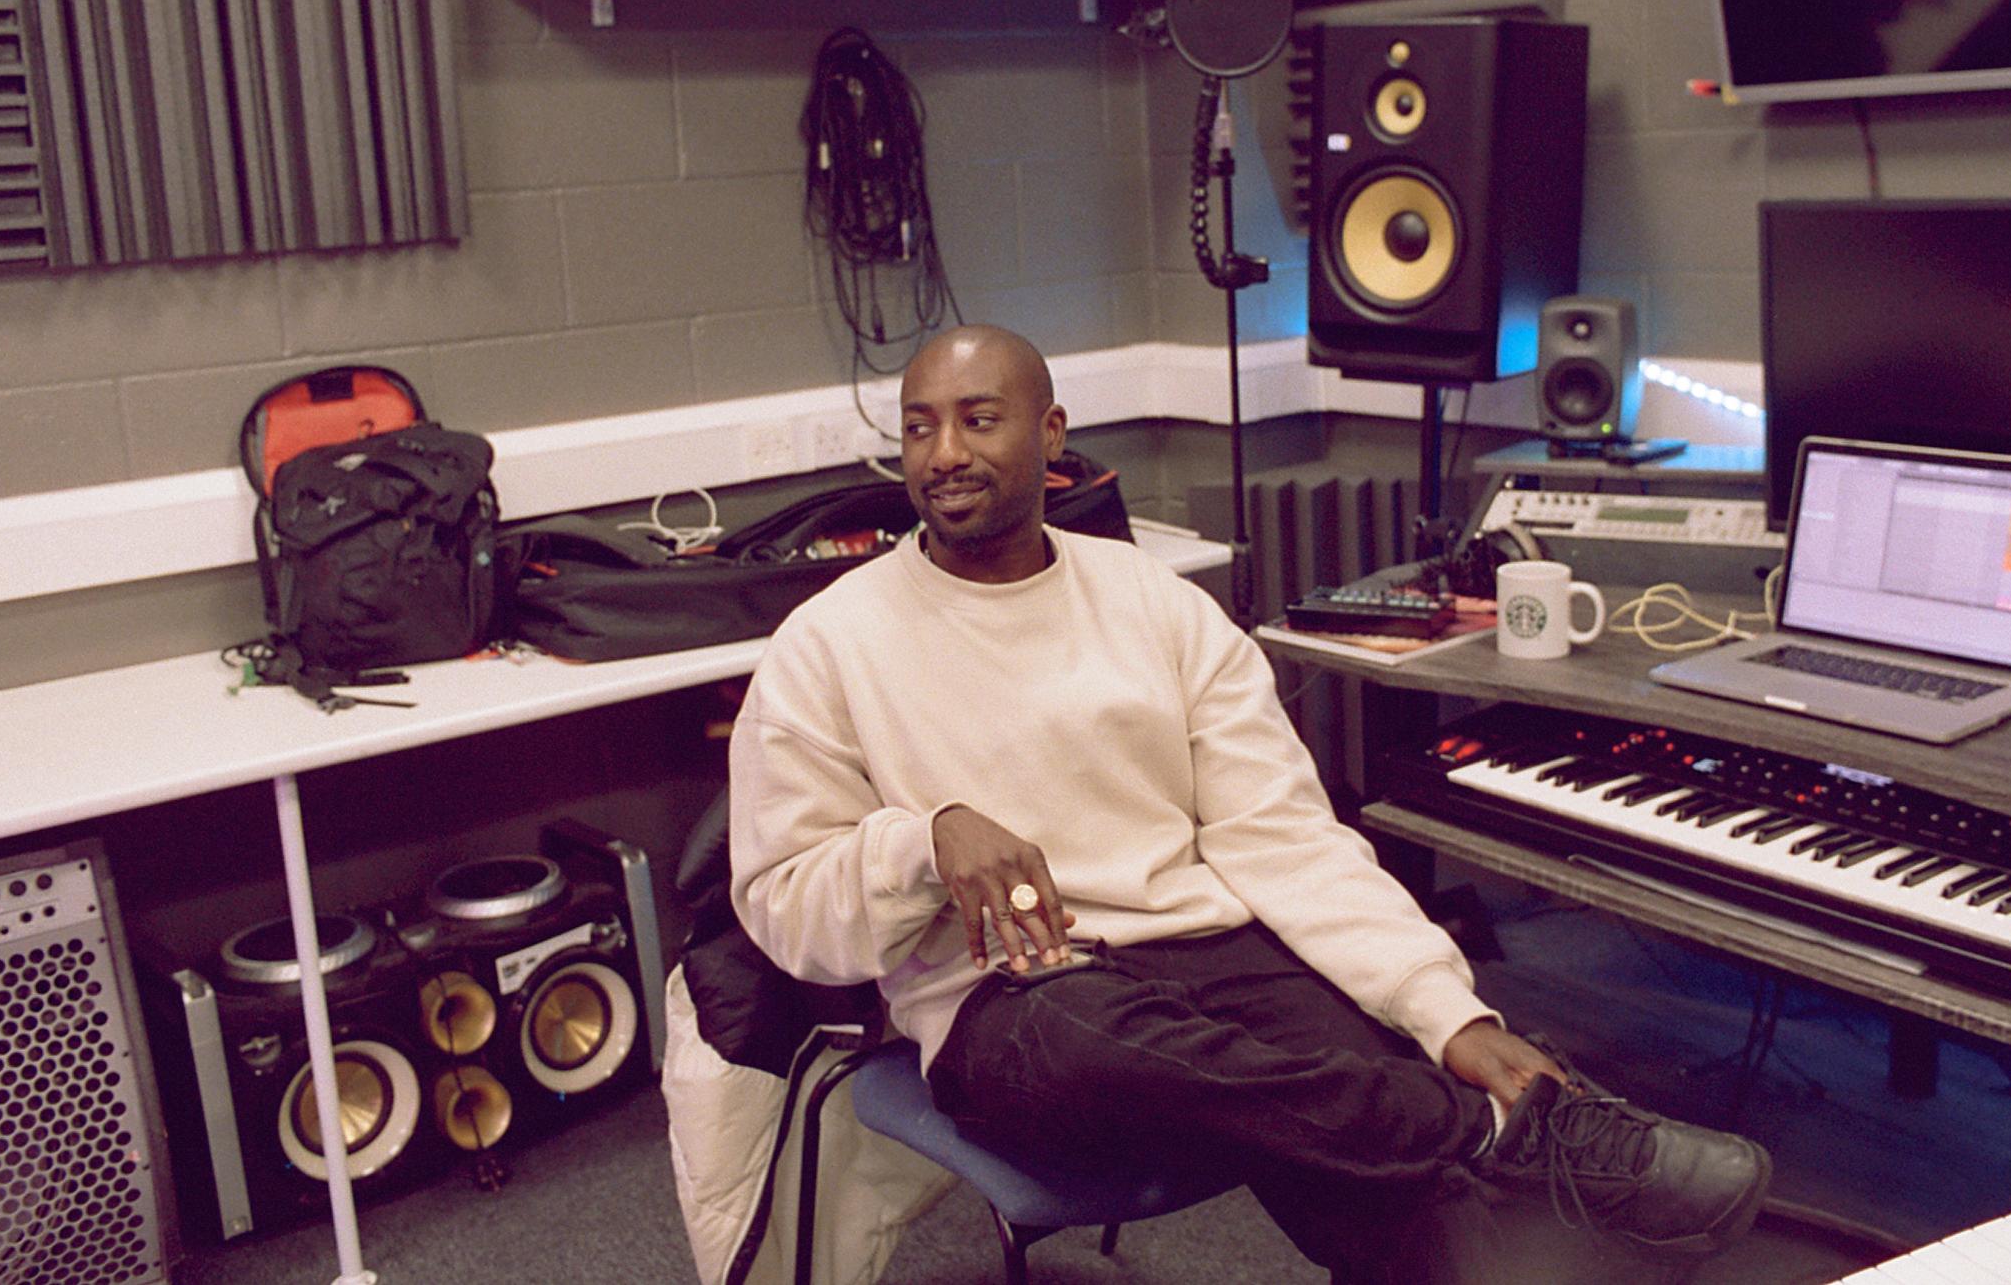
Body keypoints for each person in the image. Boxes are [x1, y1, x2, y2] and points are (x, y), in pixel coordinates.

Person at [728, 324, 1770, 1283]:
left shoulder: (1157, 607)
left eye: (976, 418)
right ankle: (1499, 1130)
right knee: (1118, 1048)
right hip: (1013, 994)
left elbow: (1284, 841)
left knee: (1360, 1099)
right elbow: (781, 906)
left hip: (1208, 951)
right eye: (919, 427)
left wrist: (1443, 1014)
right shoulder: (830, 643)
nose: (943, 452)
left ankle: (1467, 1143)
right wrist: (923, 843)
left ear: (1051, 434)